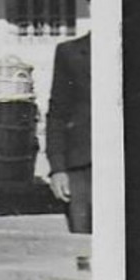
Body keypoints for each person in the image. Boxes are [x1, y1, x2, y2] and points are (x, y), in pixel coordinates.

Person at [46, 30, 92, 234]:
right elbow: (57, 113)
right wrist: (58, 169)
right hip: (82, 167)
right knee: (85, 250)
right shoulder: (70, 53)